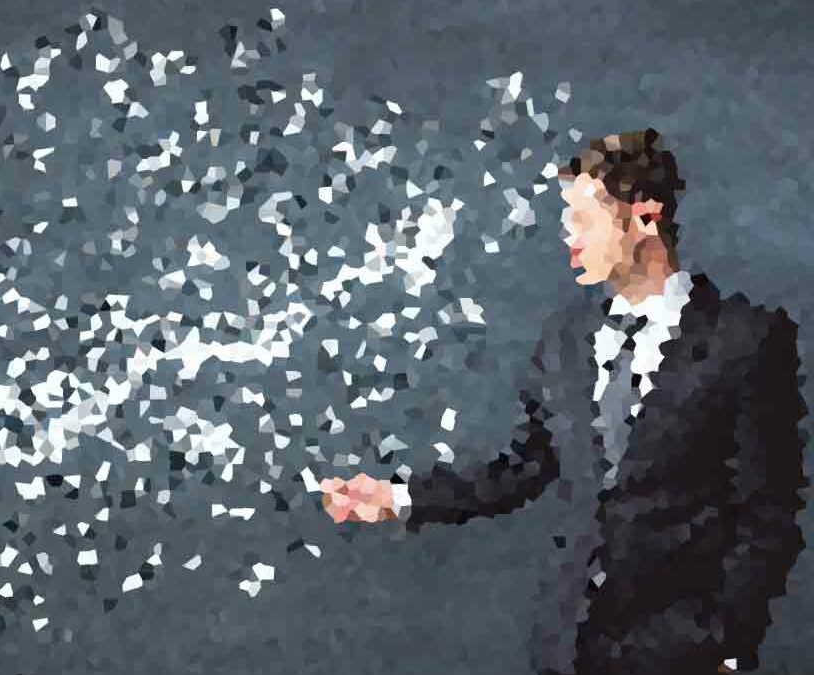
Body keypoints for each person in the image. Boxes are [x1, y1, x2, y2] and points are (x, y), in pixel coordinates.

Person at [320, 129, 808, 675]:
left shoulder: (745, 341)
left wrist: (725, 648)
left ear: (645, 217)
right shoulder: (565, 340)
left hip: (685, 654)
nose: (568, 236)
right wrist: (400, 497)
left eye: (583, 219)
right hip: (568, 647)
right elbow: (524, 466)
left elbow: (768, 514)